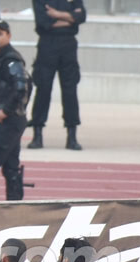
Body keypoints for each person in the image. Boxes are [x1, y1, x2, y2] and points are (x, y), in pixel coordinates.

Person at [0, 21, 32, 202]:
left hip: (7, 121)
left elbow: (22, 87)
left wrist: (5, 110)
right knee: (11, 167)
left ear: (8, 36)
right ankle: (15, 205)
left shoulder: (11, 60)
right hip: (11, 121)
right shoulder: (1, 59)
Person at [26, 0, 87, 151]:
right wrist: (70, 18)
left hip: (68, 46)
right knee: (43, 90)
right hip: (47, 45)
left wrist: (57, 15)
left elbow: (81, 17)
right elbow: (43, 22)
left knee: (70, 91)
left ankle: (72, 136)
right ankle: (37, 134)